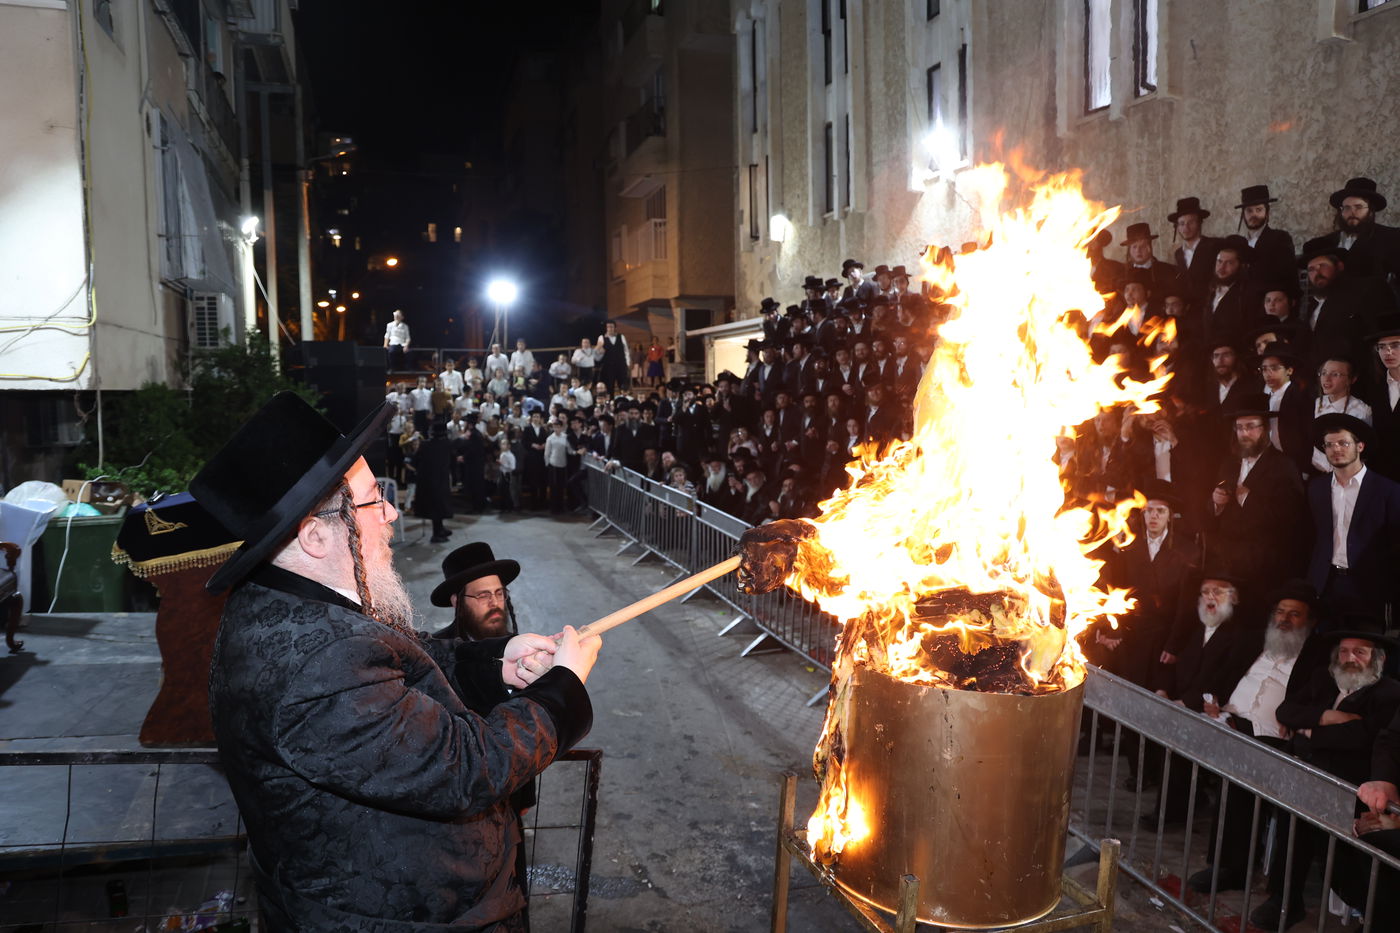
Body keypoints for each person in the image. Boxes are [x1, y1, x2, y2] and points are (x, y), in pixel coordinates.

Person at [189, 391, 600, 929]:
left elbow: (396, 666)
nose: (392, 511)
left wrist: (495, 661)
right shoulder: (318, 662)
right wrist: (562, 689)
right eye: (372, 499)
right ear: (315, 536)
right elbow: (465, 768)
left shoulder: (291, 605)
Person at [1305, 413, 1400, 622]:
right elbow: (1312, 536)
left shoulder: (1388, 490)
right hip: (1326, 583)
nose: (1336, 449)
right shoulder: (1316, 488)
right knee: (1325, 648)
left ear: (1360, 446)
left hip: (1369, 587)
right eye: (1329, 445)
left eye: (1343, 443)